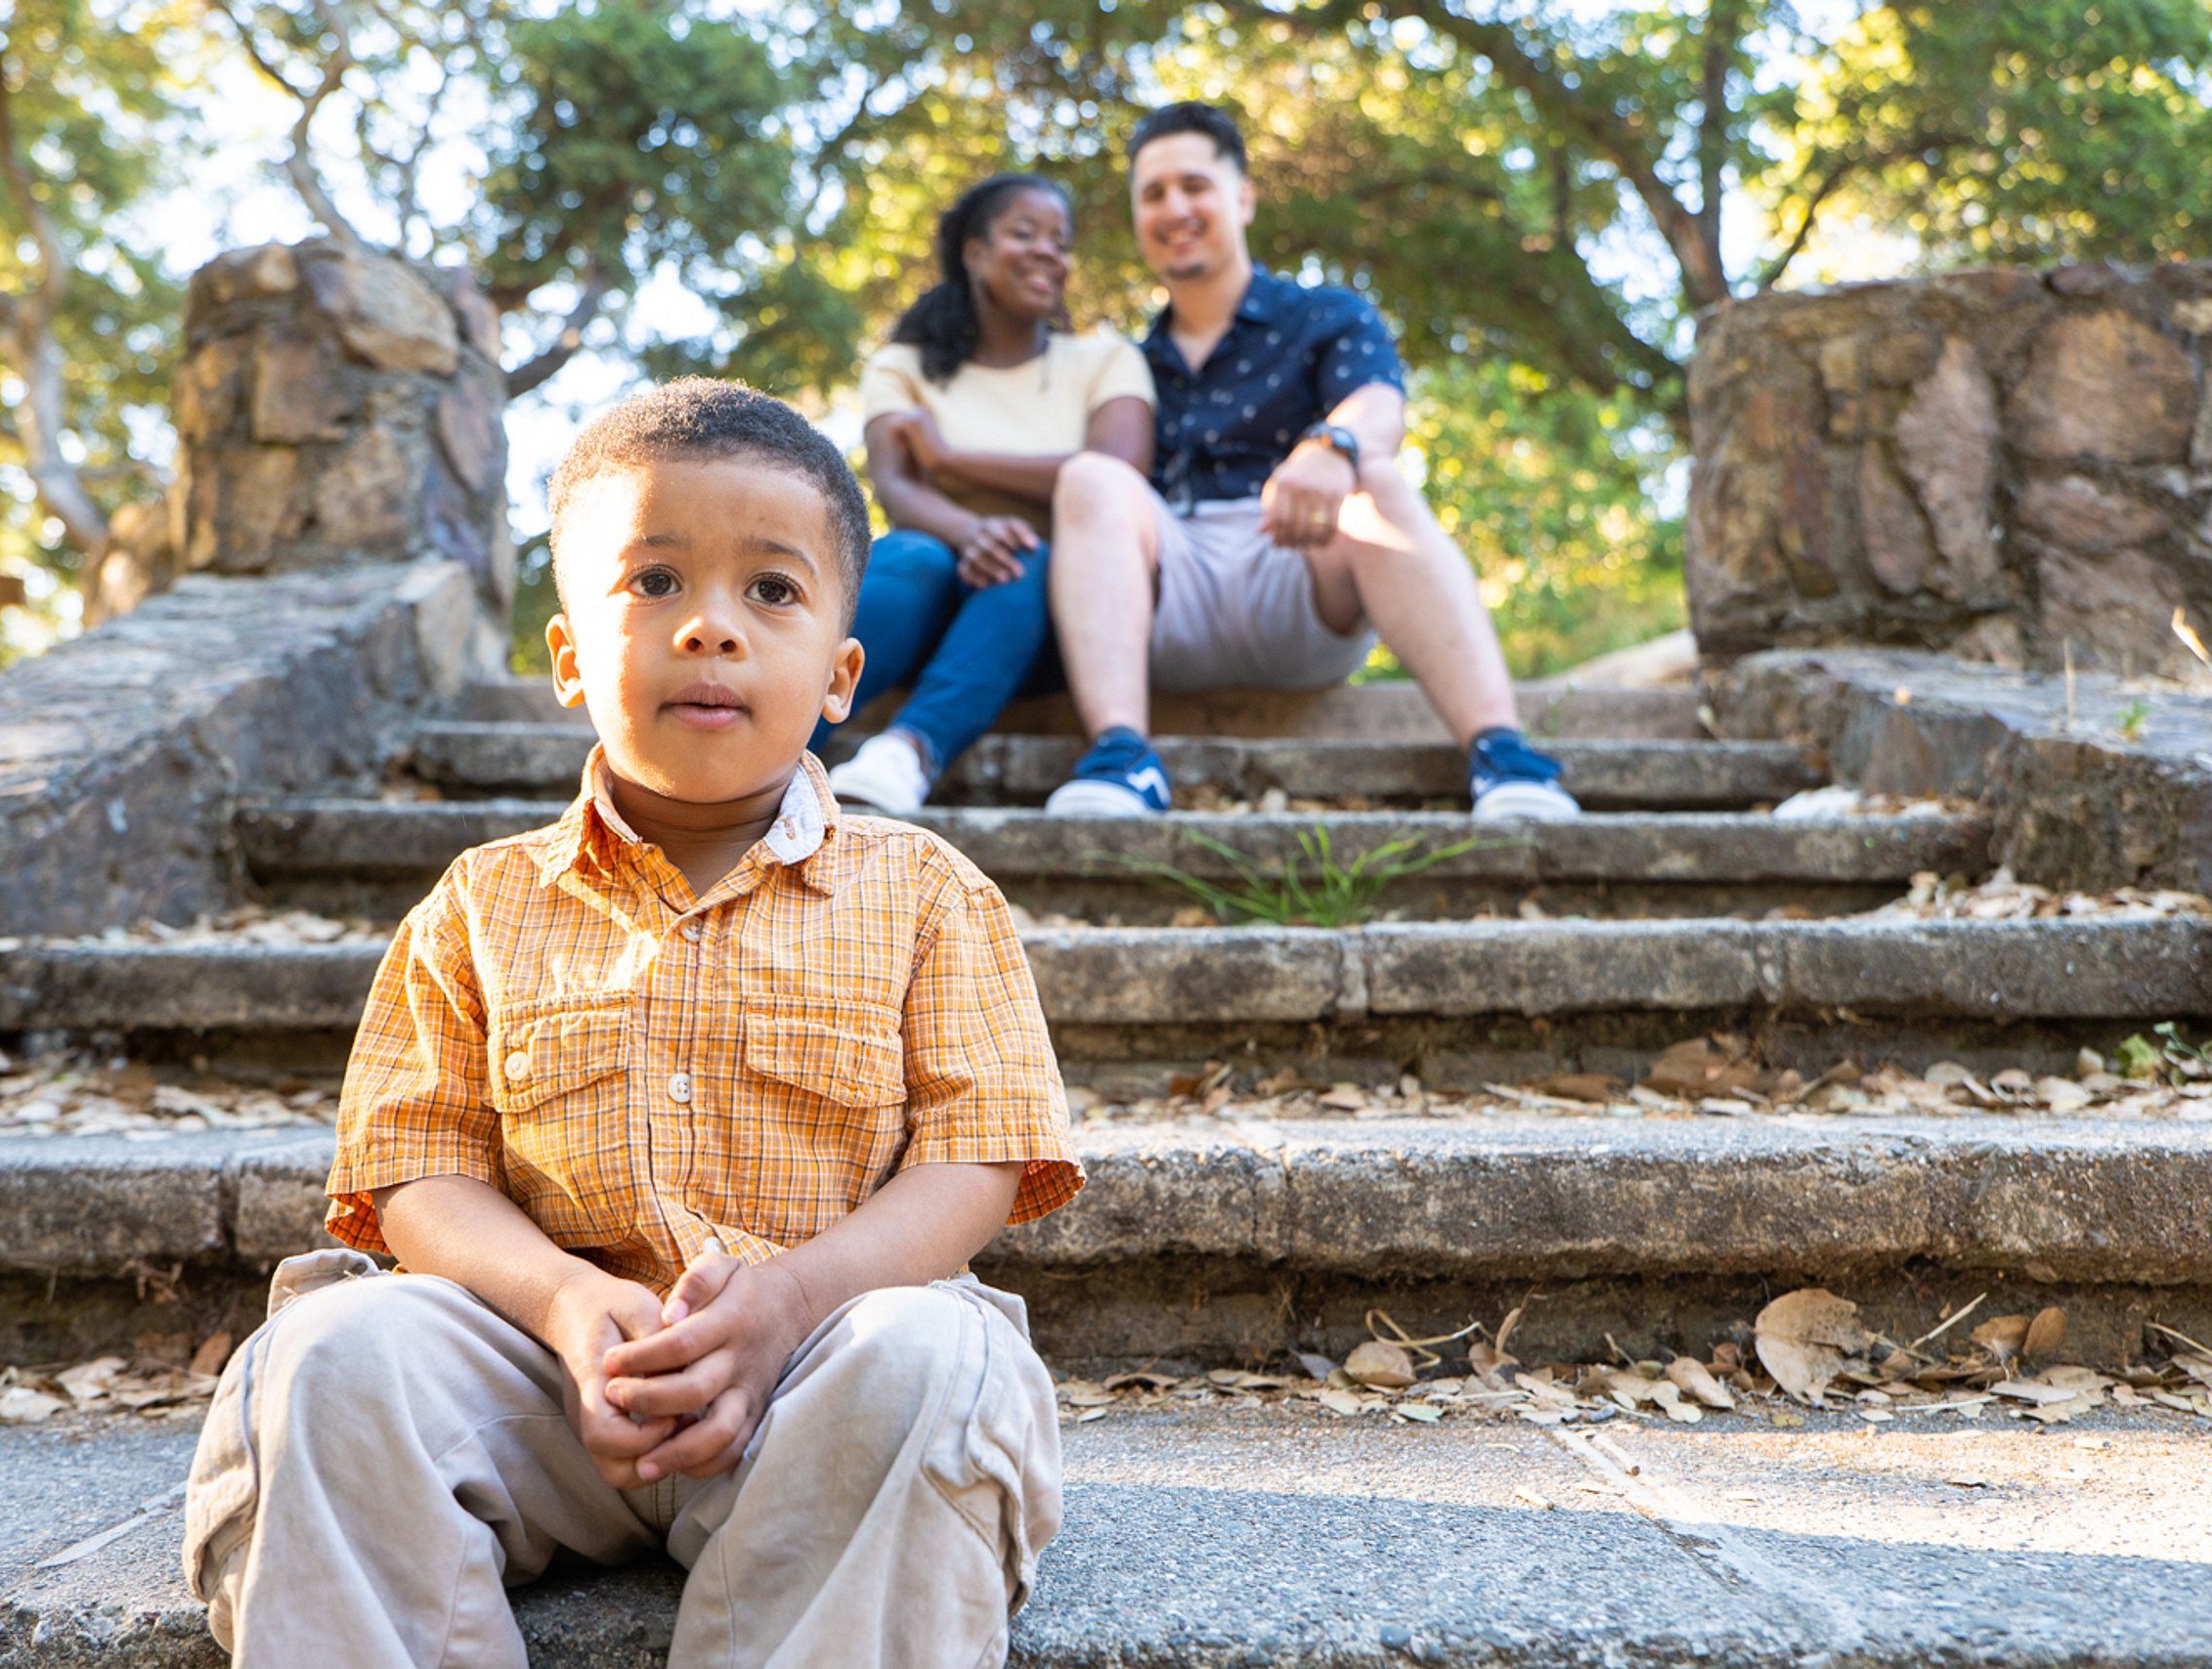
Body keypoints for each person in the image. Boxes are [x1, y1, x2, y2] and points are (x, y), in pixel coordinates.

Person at [182, 378, 1084, 1669]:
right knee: (328, 1350)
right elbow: (416, 1171)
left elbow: (981, 1156)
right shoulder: (477, 904)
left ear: (838, 674)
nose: (710, 627)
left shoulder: (929, 893)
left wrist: (787, 1303)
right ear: (565, 659)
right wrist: (562, 1300)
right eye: (654, 581)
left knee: (931, 1353)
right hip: (540, 1388)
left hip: (817, 1382)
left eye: (770, 590)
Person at [1040, 102, 1580, 821]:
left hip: (1296, 575)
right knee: (1090, 478)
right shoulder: (1123, 362)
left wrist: (1333, 446)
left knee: (1377, 480)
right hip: (1172, 591)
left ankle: (1503, 754)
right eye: (1153, 193)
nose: (1175, 208)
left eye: (1194, 185)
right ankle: (1121, 757)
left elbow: (1379, 405)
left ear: (1242, 196)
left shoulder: (1326, 314)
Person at [824, 172, 1155, 816]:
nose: (1048, 253)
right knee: (912, 554)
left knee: (1024, 553)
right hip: (928, 592)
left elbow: (1117, 468)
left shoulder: (1105, 361)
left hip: (1050, 621)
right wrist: (967, 530)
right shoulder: (902, 366)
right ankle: (777, 742)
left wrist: (951, 458)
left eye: (1060, 241)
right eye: (1024, 233)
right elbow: (895, 484)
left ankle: (910, 750)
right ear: (975, 252)